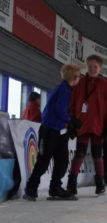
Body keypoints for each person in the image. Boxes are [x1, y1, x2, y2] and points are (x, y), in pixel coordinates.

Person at [22, 65, 82, 201]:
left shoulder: (67, 90)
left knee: (62, 160)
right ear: (73, 78)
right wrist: (71, 121)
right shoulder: (63, 90)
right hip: (49, 131)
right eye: (78, 76)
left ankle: (55, 187)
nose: (79, 79)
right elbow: (60, 111)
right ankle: (31, 188)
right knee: (44, 161)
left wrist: (69, 126)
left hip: (60, 131)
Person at [66, 55, 107, 196]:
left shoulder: (106, 86)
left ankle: (100, 183)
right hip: (82, 124)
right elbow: (72, 103)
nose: (92, 69)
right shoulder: (80, 83)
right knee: (80, 153)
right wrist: (71, 121)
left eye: (95, 67)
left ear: (100, 69)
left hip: (98, 126)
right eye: (90, 66)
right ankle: (72, 183)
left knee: (97, 154)